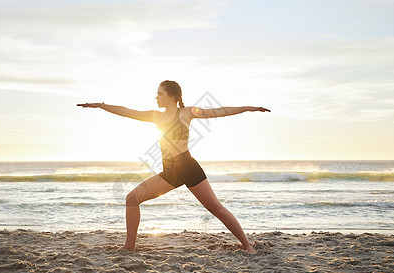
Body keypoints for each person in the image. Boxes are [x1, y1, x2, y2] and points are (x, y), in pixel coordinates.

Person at [78, 80, 270, 254]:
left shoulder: (185, 113)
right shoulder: (156, 116)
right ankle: (130, 246)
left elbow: (220, 111)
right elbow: (128, 112)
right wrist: (102, 106)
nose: (156, 97)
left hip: (188, 167)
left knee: (216, 209)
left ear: (172, 96)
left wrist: (249, 108)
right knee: (132, 198)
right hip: (170, 172)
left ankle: (248, 245)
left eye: (160, 93)